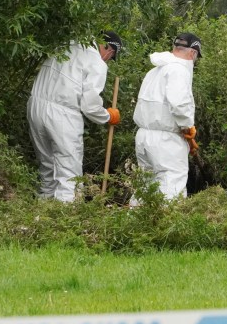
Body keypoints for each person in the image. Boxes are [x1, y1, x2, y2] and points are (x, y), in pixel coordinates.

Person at [27, 31, 122, 202]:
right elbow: (90, 106)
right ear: (108, 48)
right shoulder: (96, 63)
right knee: (69, 171)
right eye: (111, 55)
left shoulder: (67, 44)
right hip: (63, 114)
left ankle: (43, 209)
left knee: (47, 164)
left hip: (36, 106)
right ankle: (65, 216)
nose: (107, 59)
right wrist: (107, 116)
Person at [132, 32, 201, 202]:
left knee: (145, 187)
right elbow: (179, 104)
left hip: (144, 136)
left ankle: (134, 225)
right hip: (166, 140)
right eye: (196, 58)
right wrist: (187, 127)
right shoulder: (179, 70)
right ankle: (168, 226)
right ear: (192, 53)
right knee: (172, 186)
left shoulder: (155, 71)